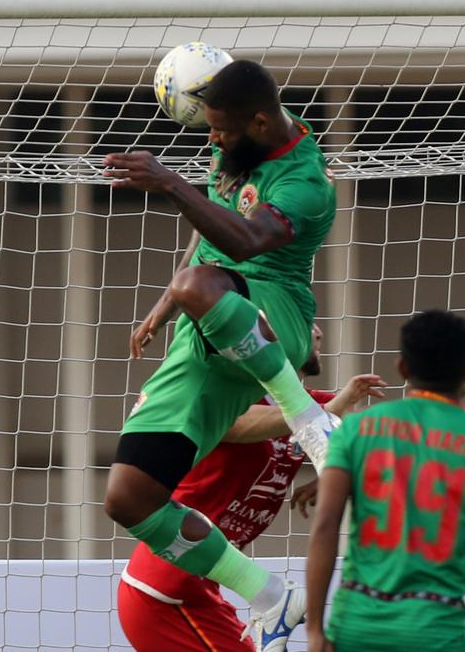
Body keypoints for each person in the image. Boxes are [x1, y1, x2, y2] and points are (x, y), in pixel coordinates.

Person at [101, 59, 337, 651]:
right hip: (207, 322)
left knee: (198, 286)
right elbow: (210, 233)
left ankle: (307, 416)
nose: (211, 139)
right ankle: (271, 598)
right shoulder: (237, 144)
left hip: (276, 302)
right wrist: (165, 303)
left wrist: (170, 184)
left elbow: (248, 239)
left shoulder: (306, 182)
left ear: (259, 122)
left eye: (221, 130)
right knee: (128, 498)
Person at [117, 324, 385, 651]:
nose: (317, 330)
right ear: (276, 337)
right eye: (305, 322)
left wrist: (328, 474)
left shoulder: (313, 406)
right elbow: (239, 425)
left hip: (199, 590)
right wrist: (318, 415)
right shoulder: (239, 399)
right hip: (165, 590)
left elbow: (369, 451)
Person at [306, 310, 465, 652]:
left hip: (359, 621)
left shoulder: (356, 428)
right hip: (436, 628)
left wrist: (315, 630)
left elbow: (325, 525)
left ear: (403, 369)